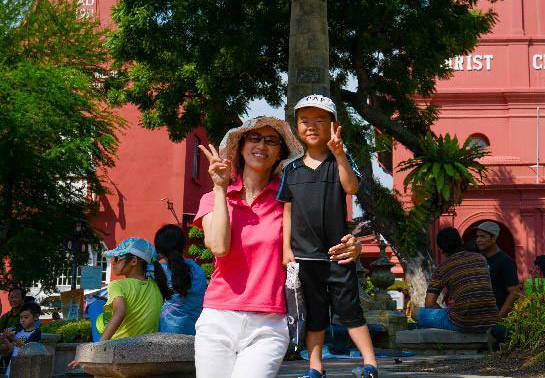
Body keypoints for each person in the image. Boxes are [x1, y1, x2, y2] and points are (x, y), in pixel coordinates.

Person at [193, 116, 362, 378]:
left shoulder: (288, 200)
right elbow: (219, 247)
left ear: (280, 154)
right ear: (240, 147)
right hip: (218, 317)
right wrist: (219, 188)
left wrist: (353, 245)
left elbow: (323, 234)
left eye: (271, 141)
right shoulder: (213, 197)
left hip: (269, 323)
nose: (262, 145)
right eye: (255, 138)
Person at [279, 95, 377, 378]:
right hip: (304, 256)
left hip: (338, 253)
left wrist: (340, 154)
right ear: (297, 126)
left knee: (350, 309)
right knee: (315, 313)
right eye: (305, 121)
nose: (312, 126)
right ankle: (315, 367)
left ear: (334, 125)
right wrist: (286, 248)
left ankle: (370, 363)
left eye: (320, 120)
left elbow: (352, 188)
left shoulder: (339, 162)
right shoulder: (291, 169)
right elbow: (287, 210)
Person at [69, 236, 171, 370]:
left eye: (117, 258)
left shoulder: (118, 285)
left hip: (119, 351)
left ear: (133, 261)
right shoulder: (156, 286)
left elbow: (120, 312)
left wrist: (95, 350)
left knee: (95, 306)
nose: (114, 262)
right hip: (144, 354)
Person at [412, 227, 498, 333]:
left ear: (441, 249)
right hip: (490, 319)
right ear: (461, 241)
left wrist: (445, 314)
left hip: (463, 322)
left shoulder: (443, 267)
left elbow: (429, 303)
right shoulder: (481, 259)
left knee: (415, 312)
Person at [155, 224, 208, 335]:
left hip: (167, 330)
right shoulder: (197, 269)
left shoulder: (160, 270)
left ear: (160, 253)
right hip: (195, 331)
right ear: (184, 245)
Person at [474, 221, 520, 319]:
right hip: (480, 318)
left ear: (494, 238)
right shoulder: (480, 258)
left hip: (495, 319)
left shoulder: (505, 261)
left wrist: (499, 317)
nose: (478, 240)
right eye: (477, 237)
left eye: (482, 237)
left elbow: (514, 292)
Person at [1, 301, 41, 374]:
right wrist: (4, 339)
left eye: (26, 317)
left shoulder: (36, 332)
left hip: (26, 365)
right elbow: (12, 348)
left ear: (36, 317)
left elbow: (27, 348)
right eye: (21, 317)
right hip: (13, 362)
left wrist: (14, 339)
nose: (22, 320)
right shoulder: (19, 330)